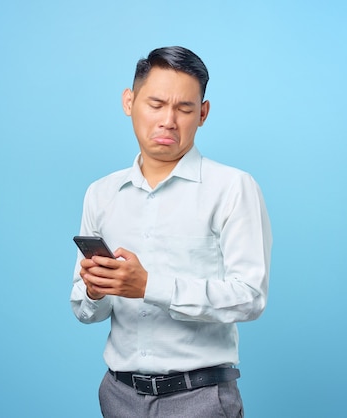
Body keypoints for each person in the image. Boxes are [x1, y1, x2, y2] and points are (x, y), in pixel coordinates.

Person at [71, 46, 272, 417]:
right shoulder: (101, 194)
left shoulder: (232, 188)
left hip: (200, 397)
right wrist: (95, 290)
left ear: (203, 113)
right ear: (129, 102)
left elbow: (250, 296)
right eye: (156, 104)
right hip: (118, 395)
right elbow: (85, 312)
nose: (168, 120)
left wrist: (149, 285)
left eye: (184, 109)